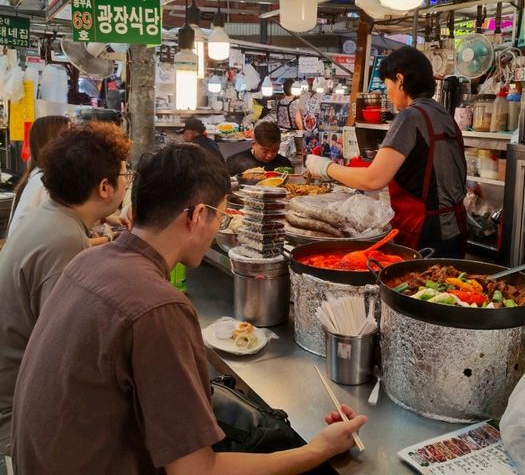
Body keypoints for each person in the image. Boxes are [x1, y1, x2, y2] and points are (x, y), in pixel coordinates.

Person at [11, 143, 367, 474]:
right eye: (221, 218)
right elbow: (197, 470)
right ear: (198, 215)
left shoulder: (89, 260)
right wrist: (317, 450)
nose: (217, 229)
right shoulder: (158, 306)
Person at [0, 121, 132, 466]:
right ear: (105, 187)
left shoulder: (52, 218)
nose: (126, 179)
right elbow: (63, 357)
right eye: (124, 173)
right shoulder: (64, 240)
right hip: (17, 413)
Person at [306, 47, 467, 258]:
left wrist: (324, 167)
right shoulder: (444, 115)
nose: (388, 94)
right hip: (455, 230)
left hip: (425, 233)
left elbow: (373, 180)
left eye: (387, 85)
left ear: (400, 79)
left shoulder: (411, 117)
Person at [7, 115, 70, 238]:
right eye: (70, 137)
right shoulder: (44, 182)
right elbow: (56, 237)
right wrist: (108, 237)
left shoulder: (37, 175)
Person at [225, 121, 293, 177]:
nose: (270, 155)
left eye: (275, 150)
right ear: (254, 144)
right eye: (265, 151)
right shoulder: (234, 163)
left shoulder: (284, 164)